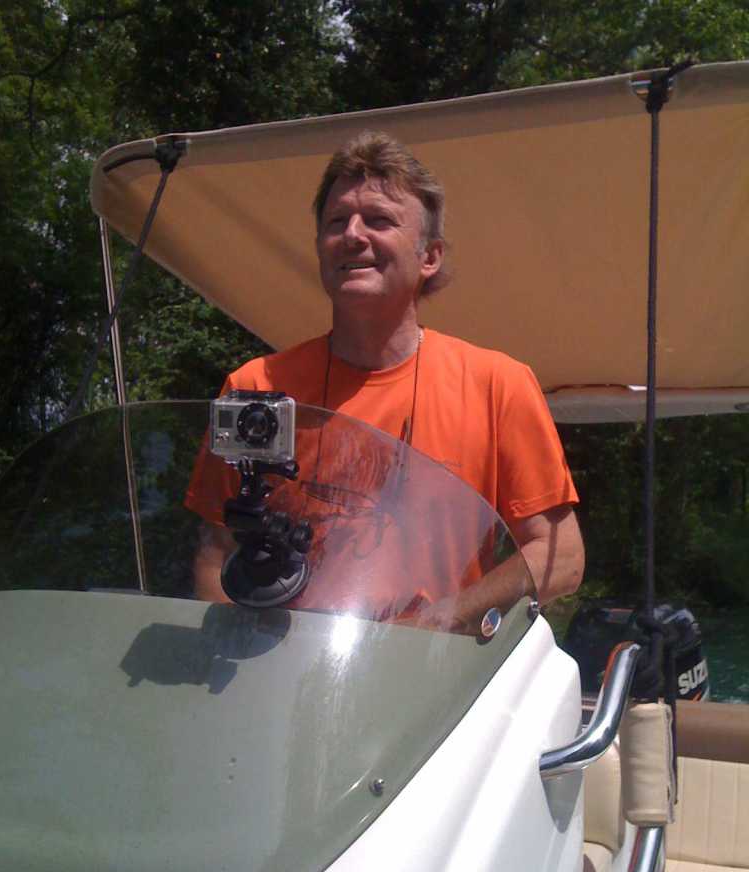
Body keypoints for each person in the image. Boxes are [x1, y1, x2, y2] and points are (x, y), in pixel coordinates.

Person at [188, 131, 584, 624]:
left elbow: (561, 556)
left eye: (379, 220)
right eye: (337, 222)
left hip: (432, 665)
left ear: (429, 257)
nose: (353, 235)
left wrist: (440, 620)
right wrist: (237, 650)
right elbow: (216, 550)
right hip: (284, 662)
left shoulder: (497, 384)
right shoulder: (256, 389)